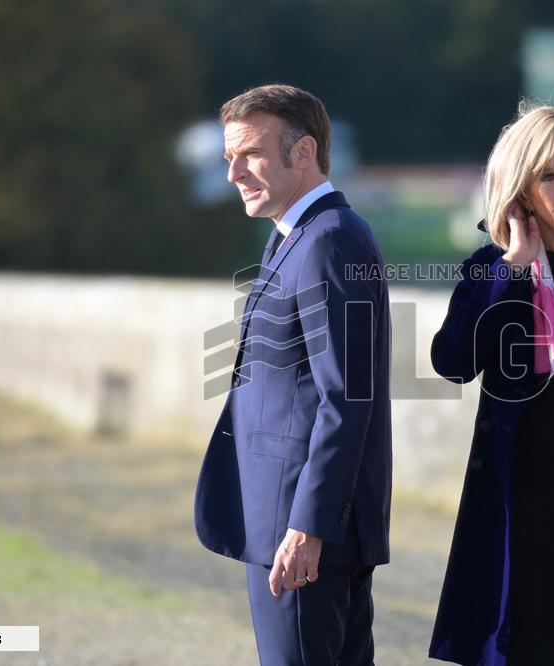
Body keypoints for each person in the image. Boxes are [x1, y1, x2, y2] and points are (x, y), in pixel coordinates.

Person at [428, 102, 554, 666]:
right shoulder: (493, 268)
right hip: (524, 499)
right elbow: (452, 361)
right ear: (520, 190)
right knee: (532, 646)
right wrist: (514, 270)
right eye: (548, 176)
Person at [194, 84, 392, 666]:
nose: (233, 172)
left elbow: (346, 396)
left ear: (303, 153)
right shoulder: (299, 235)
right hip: (295, 523)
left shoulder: (329, 240)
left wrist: (308, 525)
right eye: (228, 156)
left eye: (250, 153)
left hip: (301, 532)